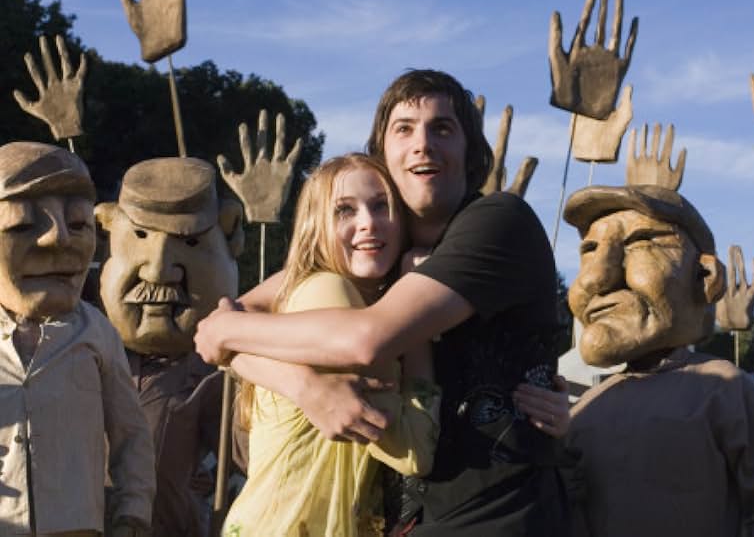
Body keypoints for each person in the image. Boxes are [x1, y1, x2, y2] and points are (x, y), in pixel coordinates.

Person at [196, 69, 570, 536]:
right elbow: (239, 314)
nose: (423, 144)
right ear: (382, 157)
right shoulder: (380, 251)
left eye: (443, 129)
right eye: (405, 129)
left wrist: (223, 335)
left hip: (498, 519)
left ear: (471, 153)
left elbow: (365, 339)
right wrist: (302, 384)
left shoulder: (497, 221)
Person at [561, 182, 754, 536]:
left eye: (640, 242)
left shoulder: (723, 389)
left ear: (705, 276)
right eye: (589, 250)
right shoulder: (585, 410)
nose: (596, 277)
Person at [221, 153, 440, 536]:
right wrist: (417, 305)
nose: (368, 223)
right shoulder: (331, 294)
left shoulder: (301, 294)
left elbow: (219, 334)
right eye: (344, 211)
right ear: (314, 226)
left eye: (380, 206)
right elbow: (413, 449)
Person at [0, 141, 155, 536]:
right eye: (22, 223)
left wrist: (133, 508)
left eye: (79, 223)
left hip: (75, 524)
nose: (60, 240)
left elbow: (131, 434)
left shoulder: (97, 333)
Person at [95, 157, 245, 537]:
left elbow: (248, 455)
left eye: (190, 241)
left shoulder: (211, 377)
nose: (158, 270)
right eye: (141, 236)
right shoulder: (82, 346)